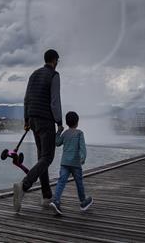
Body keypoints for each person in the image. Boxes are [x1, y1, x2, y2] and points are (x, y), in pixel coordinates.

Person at [13, 49, 63, 213]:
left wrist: (27, 120)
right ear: (55, 61)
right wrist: (59, 122)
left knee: (42, 158)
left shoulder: (33, 74)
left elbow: (26, 98)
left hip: (33, 119)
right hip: (46, 120)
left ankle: (46, 196)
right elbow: (55, 102)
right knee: (48, 157)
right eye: (58, 61)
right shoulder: (54, 75)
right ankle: (24, 186)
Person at [50, 111, 93, 215]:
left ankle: (56, 200)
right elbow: (82, 148)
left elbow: (57, 143)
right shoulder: (79, 133)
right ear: (77, 122)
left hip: (64, 163)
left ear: (67, 122)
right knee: (79, 183)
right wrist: (82, 158)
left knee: (61, 182)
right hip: (75, 164)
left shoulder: (65, 133)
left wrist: (58, 132)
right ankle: (83, 202)